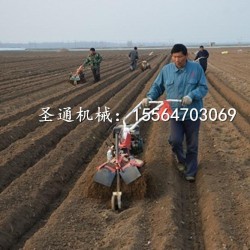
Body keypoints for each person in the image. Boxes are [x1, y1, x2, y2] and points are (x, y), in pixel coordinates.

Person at [141, 44, 208, 182]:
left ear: (186, 55)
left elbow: (203, 87)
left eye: (180, 57)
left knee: (192, 143)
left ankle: (190, 171)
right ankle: (182, 160)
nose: (177, 60)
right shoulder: (167, 70)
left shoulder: (196, 68)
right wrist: (149, 98)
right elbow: (157, 87)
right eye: (174, 57)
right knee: (175, 140)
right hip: (175, 113)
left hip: (192, 112)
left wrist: (192, 96)